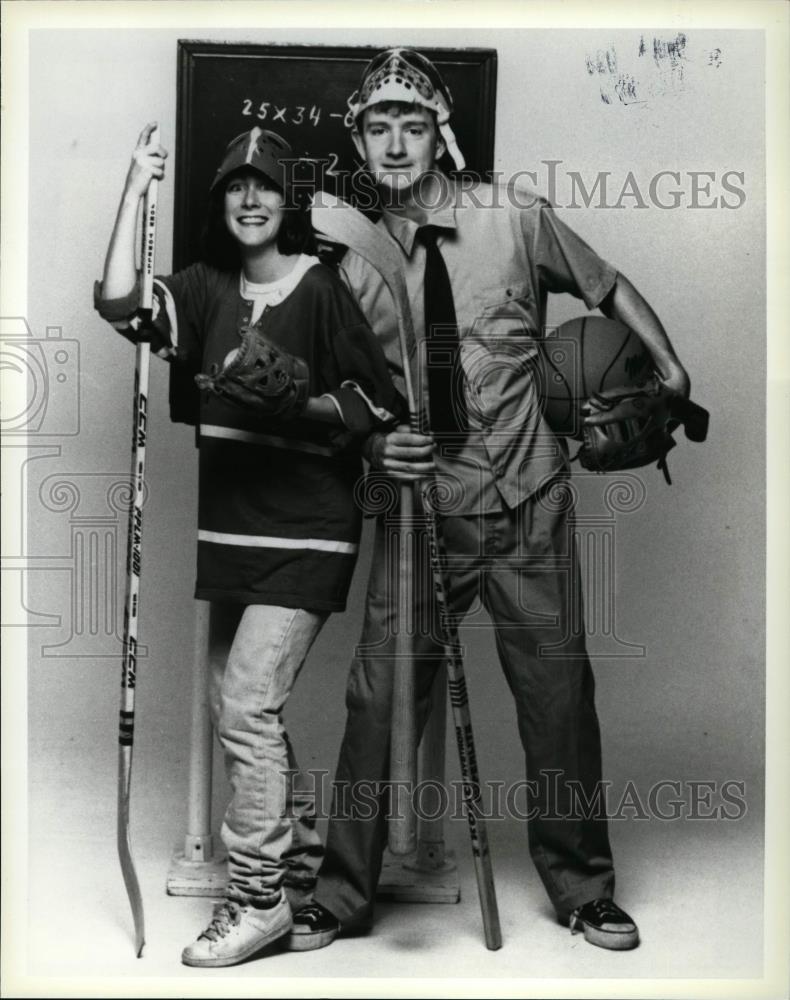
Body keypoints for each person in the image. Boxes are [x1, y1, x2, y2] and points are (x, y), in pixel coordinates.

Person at [288, 48, 691, 953]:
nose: (396, 141)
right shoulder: (344, 254)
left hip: (529, 494)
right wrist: (370, 438)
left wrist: (668, 364)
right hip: (420, 506)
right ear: (358, 137)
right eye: (378, 125)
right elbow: (330, 391)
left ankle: (584, 887)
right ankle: (340, 894)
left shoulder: (514, 214)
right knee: (378, 699)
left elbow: (608, 285)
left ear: (442, 134)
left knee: (558, 700)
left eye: (414, 124)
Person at [94, 123, 402, 967]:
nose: (252, 198)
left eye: (267, 185)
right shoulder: (201, 290)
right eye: (236, 185)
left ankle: (257, 897)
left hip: (309, 527)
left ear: (286, 201)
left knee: (246, 702)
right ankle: (300, 871)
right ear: (221, 201)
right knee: (238, 704)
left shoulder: (325, 287)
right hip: (231, 530)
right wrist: (132, 186)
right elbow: (120, 301)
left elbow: (375, 410)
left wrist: (294, 404)